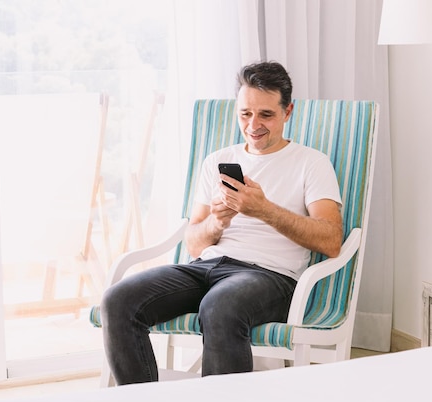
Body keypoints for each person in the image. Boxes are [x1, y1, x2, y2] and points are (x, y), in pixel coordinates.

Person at [100, 61, 343, 385]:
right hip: (206, 267)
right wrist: (217, 222)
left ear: (288, 112)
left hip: (269, 275)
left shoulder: (311, 163)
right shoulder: (217, 160)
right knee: (118, 300)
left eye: (266, 115)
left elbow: (331, 240)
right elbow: (194, 243)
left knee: (220, 306)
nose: (253, 125)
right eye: (245, 114)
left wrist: (264, 210)